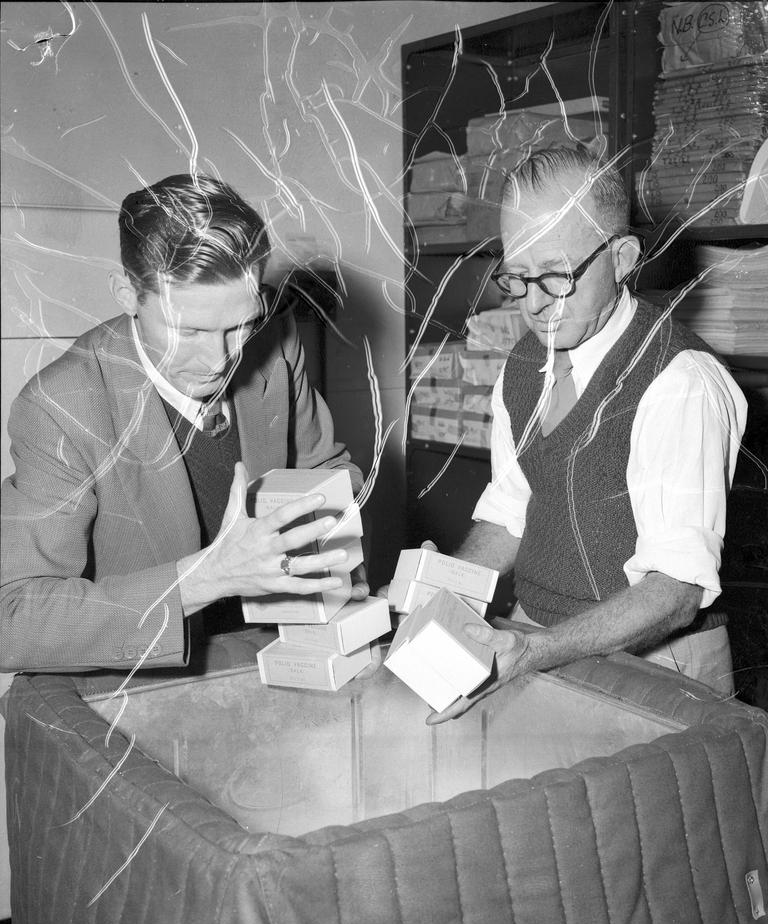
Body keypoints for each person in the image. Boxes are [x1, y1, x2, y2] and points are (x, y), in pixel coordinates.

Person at [427, 145, 747, 724]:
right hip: (544, 640)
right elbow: (512, 510)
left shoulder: (679, 382)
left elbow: (675, 591)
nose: (534, 304)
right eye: (517, 277)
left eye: (557, 276)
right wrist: (446, 584)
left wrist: (535, 652)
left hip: (658, 664)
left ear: (622, 257)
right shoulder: (525, 365)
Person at [0, 173, 367, 674]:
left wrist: (331, 565)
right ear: (127, 294)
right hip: (132, 683)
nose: (220, 359)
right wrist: (209, 576)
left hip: (268, 651)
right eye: (187, 330)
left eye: (240, 325)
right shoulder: (61, 406)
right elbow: (13, 620)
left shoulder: (276, 341)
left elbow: (325, 470)